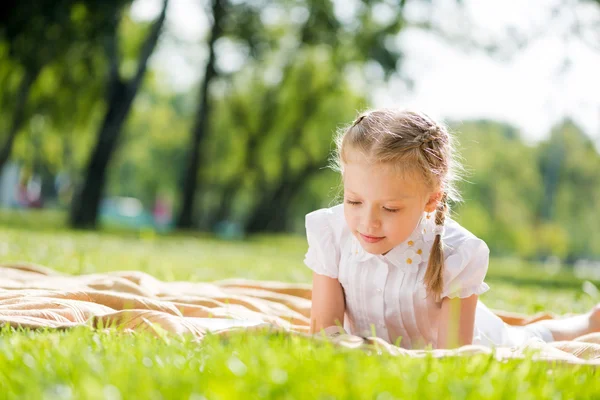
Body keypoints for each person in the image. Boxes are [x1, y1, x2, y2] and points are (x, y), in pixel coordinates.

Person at [304, 108, 600, 349]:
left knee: (525, 340)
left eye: (390, 208)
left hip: (478, 340)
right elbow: (324, 330)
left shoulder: (457, 254)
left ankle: (587, 322)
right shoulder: (331, 233)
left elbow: (453, 357)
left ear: (431, 199)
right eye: (354, 201)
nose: (368, 222)